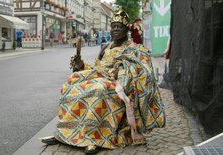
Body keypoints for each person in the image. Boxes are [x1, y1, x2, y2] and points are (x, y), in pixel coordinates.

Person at [41, 6, 165, 154]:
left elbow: (145, 72)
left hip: (119, 85)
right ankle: (65, 133)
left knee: (98, 90)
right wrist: (80, 65)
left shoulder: (136, 48)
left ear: (127, 29)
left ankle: (93, 138)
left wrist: (124, 70)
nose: (116, 29)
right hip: (100, 77)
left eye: (120, 26)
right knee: (72, 83)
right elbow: (96, 67)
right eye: (113, 27)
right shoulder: (106, 47)